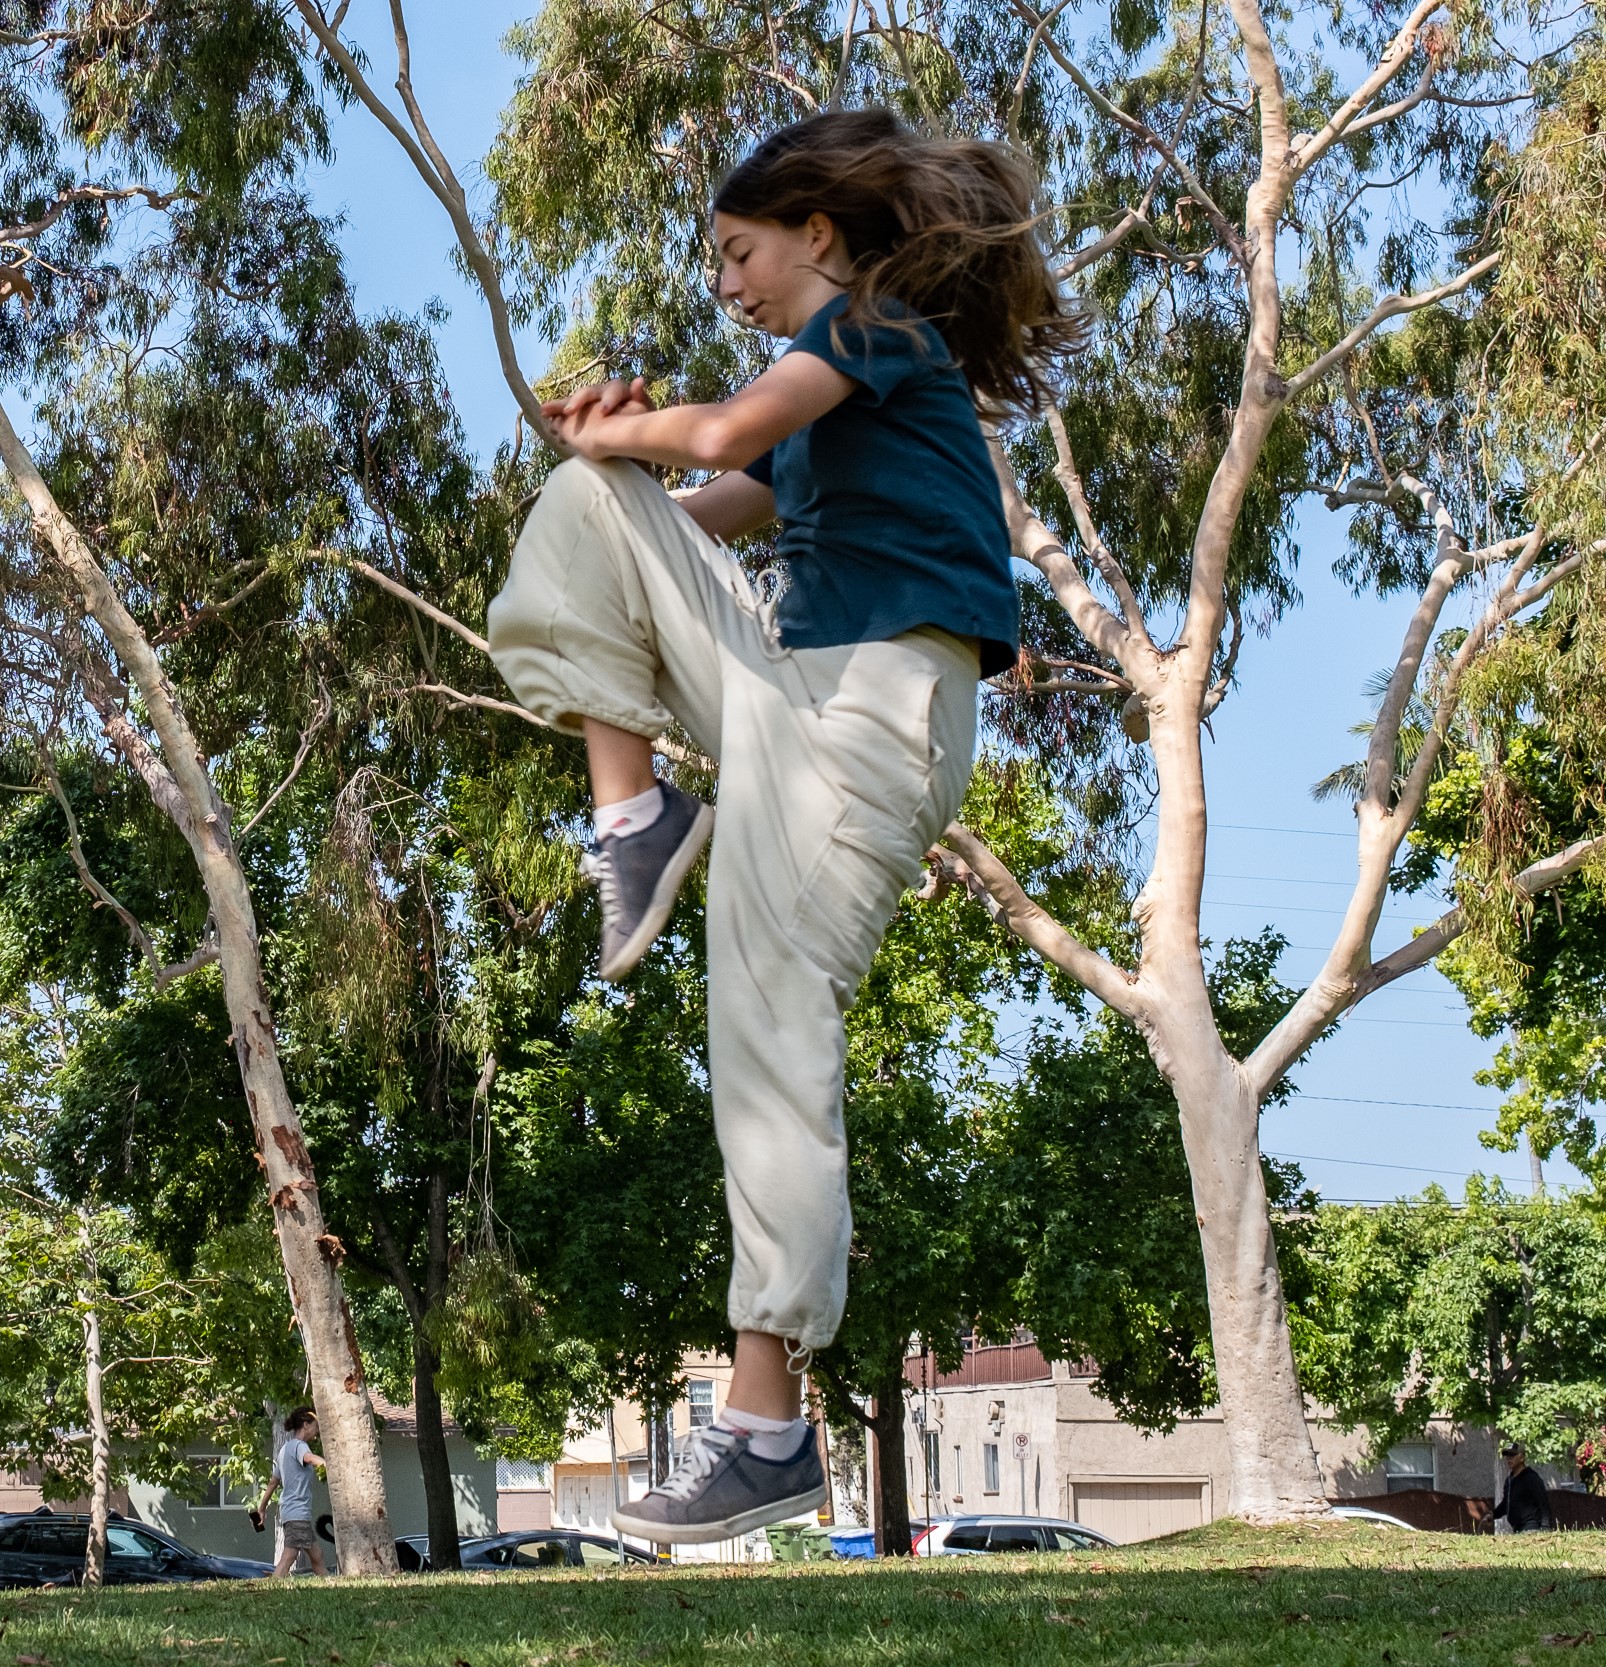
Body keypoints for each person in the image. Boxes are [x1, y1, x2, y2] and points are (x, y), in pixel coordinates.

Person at [487, 108, 1083, 1543]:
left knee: (768, 1032)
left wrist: (635, 426)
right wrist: (608, 452)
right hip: (790, 689)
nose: (726, 283)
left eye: (738, 252)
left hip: (875, 712)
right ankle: (631, 817)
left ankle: (763, 1426)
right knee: (589, 503)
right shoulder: (832, 403)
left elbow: (730, 424)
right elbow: (708, 495)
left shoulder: (877, 333)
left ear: (818, 234)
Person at [250, 1407, 328, 1574]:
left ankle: (331, 1586)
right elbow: (309, 1458)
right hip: (297, 1513)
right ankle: (273, 1587)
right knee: (289, 1556)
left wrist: (261, 1509)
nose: (317, 1432)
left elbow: (273, 1483)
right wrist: (329, 1463)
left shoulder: (284, 1450)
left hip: (291, 1513)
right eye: (316, 1427)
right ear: (306, 1425)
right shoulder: (300, 1446)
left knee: (317, 1556)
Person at [1493, 1442, 1554, 1533]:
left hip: (1531, 1528)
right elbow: (1506, 1504)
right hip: (1517, 1528)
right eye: (1506, 1455)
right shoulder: (1509, 1480)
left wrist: (1545, 1527)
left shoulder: (1531, 1478)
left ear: (1522, 1457)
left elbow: (1543, 1504)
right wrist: (1492, 1515)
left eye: (1512, 1455)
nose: (1508, 1458)